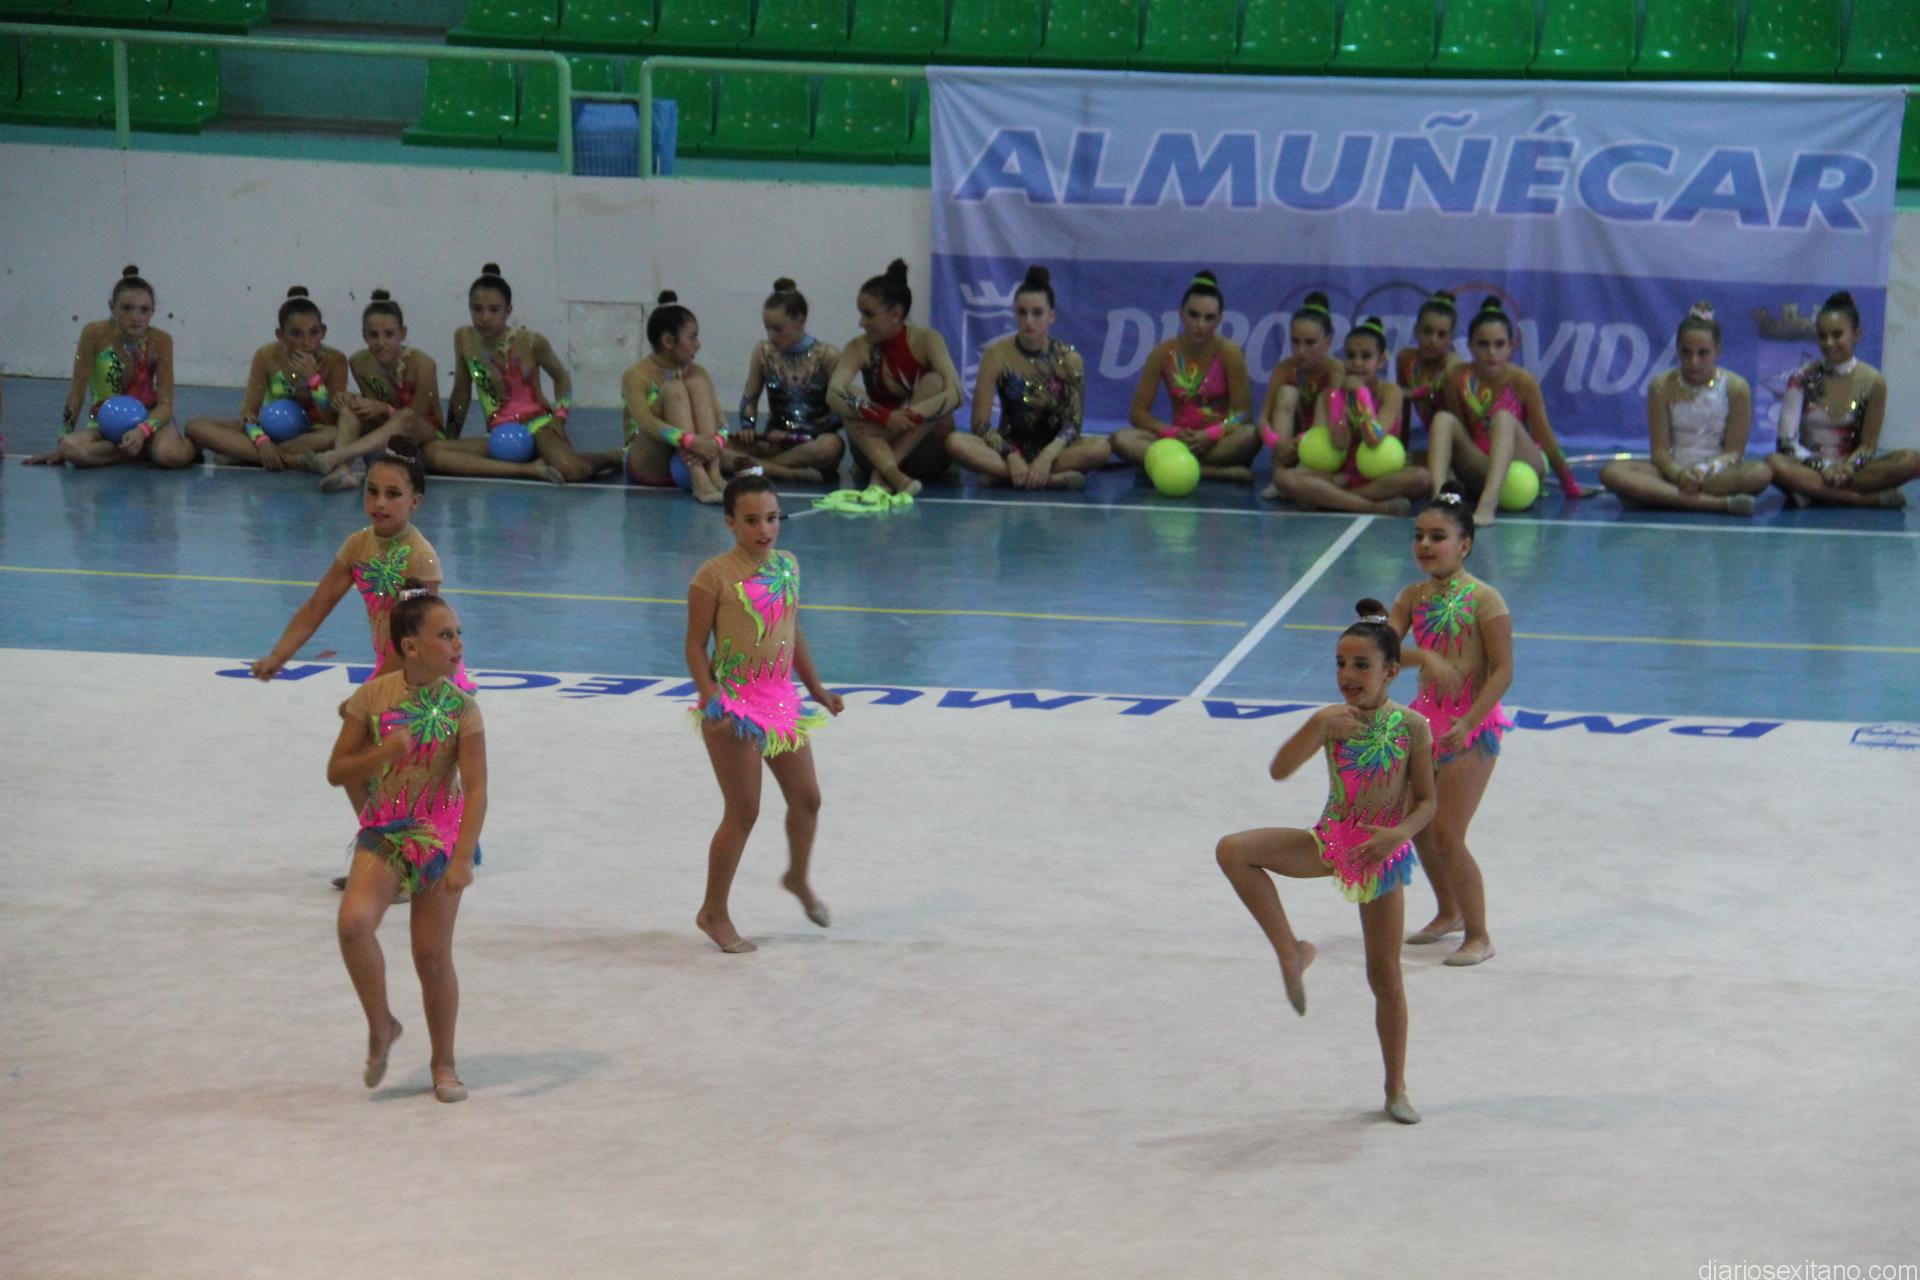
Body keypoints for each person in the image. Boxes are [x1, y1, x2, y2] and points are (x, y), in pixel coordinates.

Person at [1215, 600, 1435, 1125]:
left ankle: (1396, 1086)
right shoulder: (1331, 721)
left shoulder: (1412, 726)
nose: (1347, 676)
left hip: (1378, 854)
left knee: (1385, 977)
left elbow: (1428, 801)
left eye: (1361, 665)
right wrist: (1315, 727)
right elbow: (1279, 770)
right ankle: (1290, 949)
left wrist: (1397, 835)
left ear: (1390, 671)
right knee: (1234, 850)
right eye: (1340, 664)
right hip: (1330, 841)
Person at [329, 587, 486, 1103]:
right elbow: (337, 771)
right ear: (410, 647)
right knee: (353, 924)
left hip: (440, 837)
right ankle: (382, 1024)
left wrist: (462, 858)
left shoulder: (463, 708)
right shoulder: (372, 698)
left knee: (431, 956)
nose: (458, 643)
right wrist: (382, 754)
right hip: (385, 831)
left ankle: (444, 1062)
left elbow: (477, 788)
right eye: (445, 635)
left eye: (458, 633)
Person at [684, 472, 845, 954]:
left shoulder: (787, 566)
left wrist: (815, 688)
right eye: (752, 520)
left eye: (772, 518)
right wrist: (709, 694)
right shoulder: (713, 576)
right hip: (732, 703)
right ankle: (713, 912)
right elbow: (694, 646)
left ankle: (797, 876)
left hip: (779, 700)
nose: (764, 530)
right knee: (744, 811)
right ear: (730, 523)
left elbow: (791, 630)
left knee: (808, 799)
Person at [1389, 492, 1510, 967]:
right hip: (1425, 721)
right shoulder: (1411, 597)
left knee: (1447, 833)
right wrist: (1424, 656)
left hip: (1470, 724)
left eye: (1437, 536)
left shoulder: (1485, 599)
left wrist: (1470, 720)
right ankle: (1449, 911)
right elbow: (1382, 650)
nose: (1424, 544)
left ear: (1465, 545)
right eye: (1419, 535)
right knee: (1419, 823)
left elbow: (1503, 670)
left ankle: (1479, 935)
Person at [427, 263, 617, 484]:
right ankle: (526, 469)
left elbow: (562, 378)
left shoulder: (530, 341)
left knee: (573, 470)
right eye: (477, 309)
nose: (485, 317)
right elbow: (461, 393)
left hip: (538, 427)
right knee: (432, 453)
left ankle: (611, 457)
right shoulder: (464, 339)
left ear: (508, 311)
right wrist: (451, 439)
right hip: (499, 434)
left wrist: (559, 419)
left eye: (493, 310)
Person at [949, 264, 1111, 491]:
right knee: (955, 442)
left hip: (1055, 451)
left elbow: (1073, 425)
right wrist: (1011, 454)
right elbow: (980, 425)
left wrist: (1047, 456)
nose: (1029, 320)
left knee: (1101, 448)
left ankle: (1006, 478)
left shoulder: (1069, 358)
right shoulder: (996, 354)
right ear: (1014, 313)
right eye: (1022, 312)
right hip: (1009, 448)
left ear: (1051, 316)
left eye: (1037, 313)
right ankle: (1049, 480)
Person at [1426, 297, 1584, 526]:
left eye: (1499, 344)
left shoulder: (1522, 380)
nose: (1492, 352)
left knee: (1503, 418)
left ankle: (1487, 505)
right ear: (1469, 346)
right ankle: (1437, 502)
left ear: (1510, 346)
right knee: (1443, 419)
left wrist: (1569, 484)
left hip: (1523, 464)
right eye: (1483, 344)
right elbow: (1459, 432)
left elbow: (1545, 437)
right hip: (1480, 464)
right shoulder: (1456, 377)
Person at [1601, 303, 1771, 516]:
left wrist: (1702, 470)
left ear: (1717, 351)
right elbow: (1660, 452)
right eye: (1686, 352)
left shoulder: (1737, 388)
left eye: (1703, 353)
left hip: (1716, 474)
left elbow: (1734, 453)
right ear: (1678, 350)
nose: (1694, 361)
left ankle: (1659, 496)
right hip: (1670, 472)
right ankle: (1718, 504)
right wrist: (1679, 474)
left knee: (1760, 473)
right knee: (1611, 472)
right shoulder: (1661, 385)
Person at [26, 265, 194, 469]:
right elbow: (76, 393)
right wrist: (62, 440)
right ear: (112, 307)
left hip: (150, 422)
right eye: (127, 308)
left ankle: (190, 447)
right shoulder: (93, 333)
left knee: (168, 455)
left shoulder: (161, 340)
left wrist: (142, 431)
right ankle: (141, 452)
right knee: (69, 447)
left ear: (153, 312)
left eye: (144, 310)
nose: (136, 317)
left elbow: (166, 404)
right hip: (105, 423)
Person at [1766, 290, 1920, 509]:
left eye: (1837, 335)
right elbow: (1786, 444)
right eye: (1822, 336)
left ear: (1856, 334)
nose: (1829, 343)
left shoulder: (1873, 382)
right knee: (1773, 464)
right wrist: (1824, 466)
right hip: (1811, 468)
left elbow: (1868, 446)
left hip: (1853, 473)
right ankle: (1864, 499)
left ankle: (1813, 493)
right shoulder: (1801, 377)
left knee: (1911, 460)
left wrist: (1847, 468)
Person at [1265, 316, 1430, 515]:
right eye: (1351, 356)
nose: (1357, 363)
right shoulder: (1330, 395)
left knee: (1421, 477)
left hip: (1380, 475)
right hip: (1339, 476)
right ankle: (1374, 507)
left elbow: (1374, 438)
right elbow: (1337, 445)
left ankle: (1331, 499)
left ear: (1380, 361)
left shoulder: (1390, 392)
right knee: (1283, 478)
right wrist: (1340, 411)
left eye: (1366, 356)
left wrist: (1361, 395)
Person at [826, 259, 963, 496]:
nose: (861, 323)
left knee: (935, 383)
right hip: (876, 450)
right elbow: (833, 393)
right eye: (861, 314)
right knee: (850, 395)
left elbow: (956, 394)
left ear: (896, 314)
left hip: (925, 454)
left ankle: (884, 474)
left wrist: (906, 418)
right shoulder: (857, 347)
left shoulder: (927, 340)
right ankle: (893, 474)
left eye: (869, 315)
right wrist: (885, 416)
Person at [1113, 271, 1257, 483]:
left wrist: (1212, 434)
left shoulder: (1230, 353)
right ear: (1181, 314)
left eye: (1209, 318)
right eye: (1194, 315)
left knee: (1251, 435)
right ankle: (1213, 472)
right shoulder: (1162, 353)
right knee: (1120, 439)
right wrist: (1169, 432)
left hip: (1217, 443)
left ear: (1219, 320)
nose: (1200, 324)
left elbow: (1243, 414)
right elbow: (1137, 413)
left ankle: (1167, 466)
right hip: (1178, 441)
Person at [184, 286, 347, 472]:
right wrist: (261, 440)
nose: (306, 342)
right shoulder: (267, 356)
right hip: (269, 430)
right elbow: (248, 412)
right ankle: (291, 460)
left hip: (310, 434)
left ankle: (247, 454)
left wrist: (313, 380)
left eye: (313, 332)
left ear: (323, 332)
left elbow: (332, 419)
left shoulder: (335, 360)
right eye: (296, 334)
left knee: (337, 435)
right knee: (195, 426)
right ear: (281, 335)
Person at [301, 290, 445, 494]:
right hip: (388, 430)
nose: (381, 343)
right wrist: (349, 400)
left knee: (405, 416)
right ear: (364, 335)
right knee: (349, 411)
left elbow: (414, 417)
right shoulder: (359, 362)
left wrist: (385, 409)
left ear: (402, 333)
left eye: (389, 334)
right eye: (373, 335)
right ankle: (343, 471)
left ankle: (337, 456)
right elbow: (371, 407)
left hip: (425, 434)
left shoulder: (423, 364)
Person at [733, 278, 846, 484]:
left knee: (832, 446)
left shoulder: (826, 356)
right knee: (721, 444)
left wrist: (793, 435)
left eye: (778, 329)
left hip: (812, 443)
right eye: (767, 328)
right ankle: (776, 468)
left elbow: (839, 414)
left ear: (800, 320)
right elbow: (750, 397)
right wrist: (747, 427)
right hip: (774, 442)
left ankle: (761, 467)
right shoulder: (763, 352)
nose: (771, 336)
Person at [621, 290, 731, 503]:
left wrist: (716, 442)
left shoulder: (698, 373)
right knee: (674, 390)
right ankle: (698, 478)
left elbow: (721, 422)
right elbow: (646, 422)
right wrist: (689, 441)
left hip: (692, 454)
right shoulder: (635, 375)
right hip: (649, 462)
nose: (698, 344)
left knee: (697, 384)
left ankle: (713, 473)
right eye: (692, 337)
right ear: (668, 340)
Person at [1255, 291, 1340, 497]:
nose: (1301, 350)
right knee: (1286, 393)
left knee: (1325, 398)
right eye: (1295, 341)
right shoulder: (1284, 369)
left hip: (1322, 446)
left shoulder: (1336, 371)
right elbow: (1262, 421)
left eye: (1310, 343)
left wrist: (1302, 441)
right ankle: (1281, 474)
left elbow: (1336, 421)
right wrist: (1277, 442)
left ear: (1328, 342)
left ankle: (1304, 474)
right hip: (1289, 449)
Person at [1394, 291, 1463, 451]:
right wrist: (1401, 450)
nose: (1433, 340)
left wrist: (1411, 393)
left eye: (1441, 335)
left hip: (1463, 442)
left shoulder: (1453, 362)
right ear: (1416, 330)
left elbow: (1435, 390)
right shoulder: (1405, 358)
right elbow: (1403, 410)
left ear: (1450, 338)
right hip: (1437, 444)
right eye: (1427, 331)